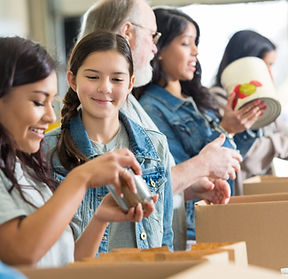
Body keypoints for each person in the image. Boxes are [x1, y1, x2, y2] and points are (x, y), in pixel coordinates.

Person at [78, 0, 242, 250]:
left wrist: (191, 186)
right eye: (153, 36)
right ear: (128, 33)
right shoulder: (105, 108)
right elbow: (112, 197)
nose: (155, 48)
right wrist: (201, 165)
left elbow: (142, 189)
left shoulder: (131, 104)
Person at [0, 36, 152, 267]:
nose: (51, 116)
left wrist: (100, 218)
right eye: (38, 102)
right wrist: (81, 178)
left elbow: (67, 264)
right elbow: (20, 251)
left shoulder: (26, 167)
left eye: (52, 102)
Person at [136, 8, 266, 240]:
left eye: (195, 43)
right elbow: (176, 175)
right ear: (159, 48)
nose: (195, 51)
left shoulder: (196, 98)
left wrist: (240, 129)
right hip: (192, 230)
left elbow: (228, 166)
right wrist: (225, 130)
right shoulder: (151, 109)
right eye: (186, 43)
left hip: (218, 216)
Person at [45, 30, 173, 253]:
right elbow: (49, 253)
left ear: (130, 83)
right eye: (93, 77)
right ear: (72, 80)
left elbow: (165, 238)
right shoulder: (47, 150)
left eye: (117, 79)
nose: (105, 87)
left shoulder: (155, 146)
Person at [211, 29, 288, 194]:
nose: (269, 73)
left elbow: (283, 132)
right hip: (236, 194)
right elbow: (250, 155)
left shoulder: (265, 101)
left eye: (271, 66)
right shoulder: (217, 100)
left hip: (260, 191)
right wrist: (279, 143)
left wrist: (272, 143)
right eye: (266, 65)